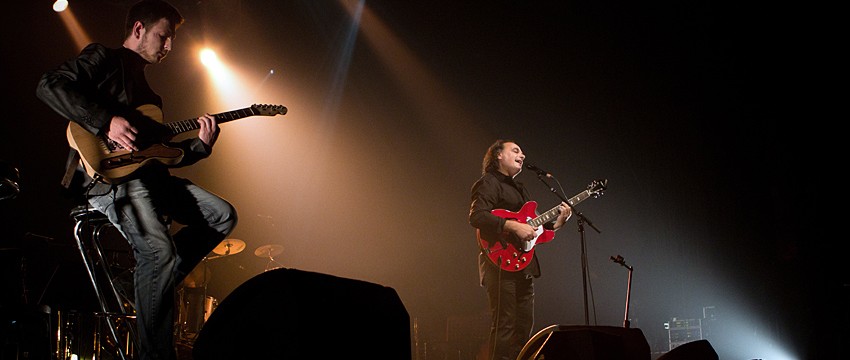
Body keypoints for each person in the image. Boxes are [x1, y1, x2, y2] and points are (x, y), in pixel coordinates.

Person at [36, 1, 237, 359]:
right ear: (139, 29)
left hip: (148, 178)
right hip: (108, 180)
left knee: (222, 214)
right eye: (164, 36)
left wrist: (200, 147)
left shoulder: (152, 98)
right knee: (159, 251)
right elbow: (50, 85)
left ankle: (134, 284)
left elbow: (161, 155)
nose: (169, 46)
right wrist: (105, 121)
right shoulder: (104, 59)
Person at [468, 139, 571, 360]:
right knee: (504, 326)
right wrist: (512, 225)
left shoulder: (521, 189)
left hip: (524, 265)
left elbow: (532, 227)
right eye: (515, 151)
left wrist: (558, 223)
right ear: (498, 155)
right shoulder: (489, 182)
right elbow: (477, 216)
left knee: (524, 327)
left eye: (523, 152)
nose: (522, 156)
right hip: (499, 263)